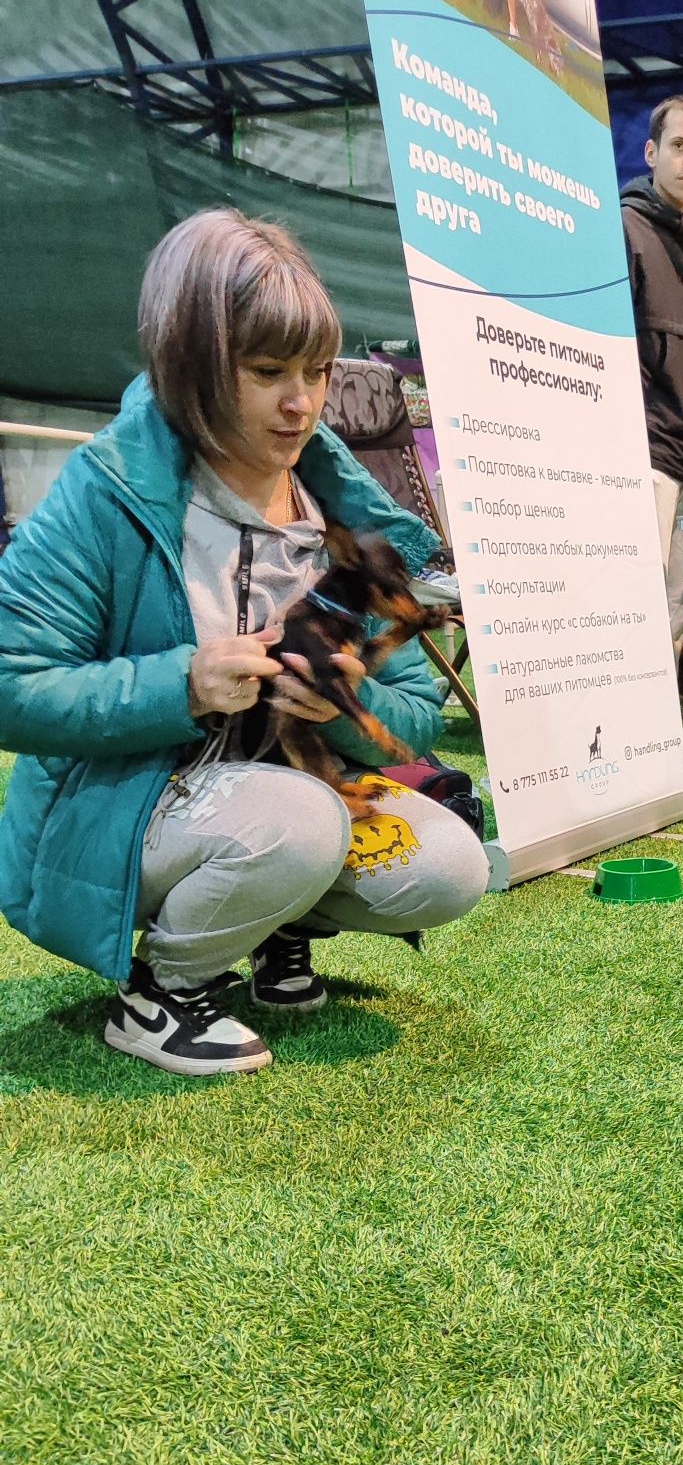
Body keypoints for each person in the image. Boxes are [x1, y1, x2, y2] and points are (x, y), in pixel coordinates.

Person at [0, 209, 491, 1077]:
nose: (303, 401)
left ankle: (276, 921)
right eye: (268, 371)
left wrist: (348, 703)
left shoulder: (349, 515)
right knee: (297, 821)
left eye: (317, 370)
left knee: (450, 864)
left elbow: (414, 718)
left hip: (284, 797)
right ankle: (164, 988)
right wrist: (181, 684)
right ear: (191, 367)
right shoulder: (106, 491)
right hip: (121, 810)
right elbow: (13, 686)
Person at [620, 95, 683, 751]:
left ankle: (667, 732)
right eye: (680, 146)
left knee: (680, 605)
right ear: (651, 153)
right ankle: (637, 737)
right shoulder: (626, 230)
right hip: (647, 453)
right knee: (641, 605)